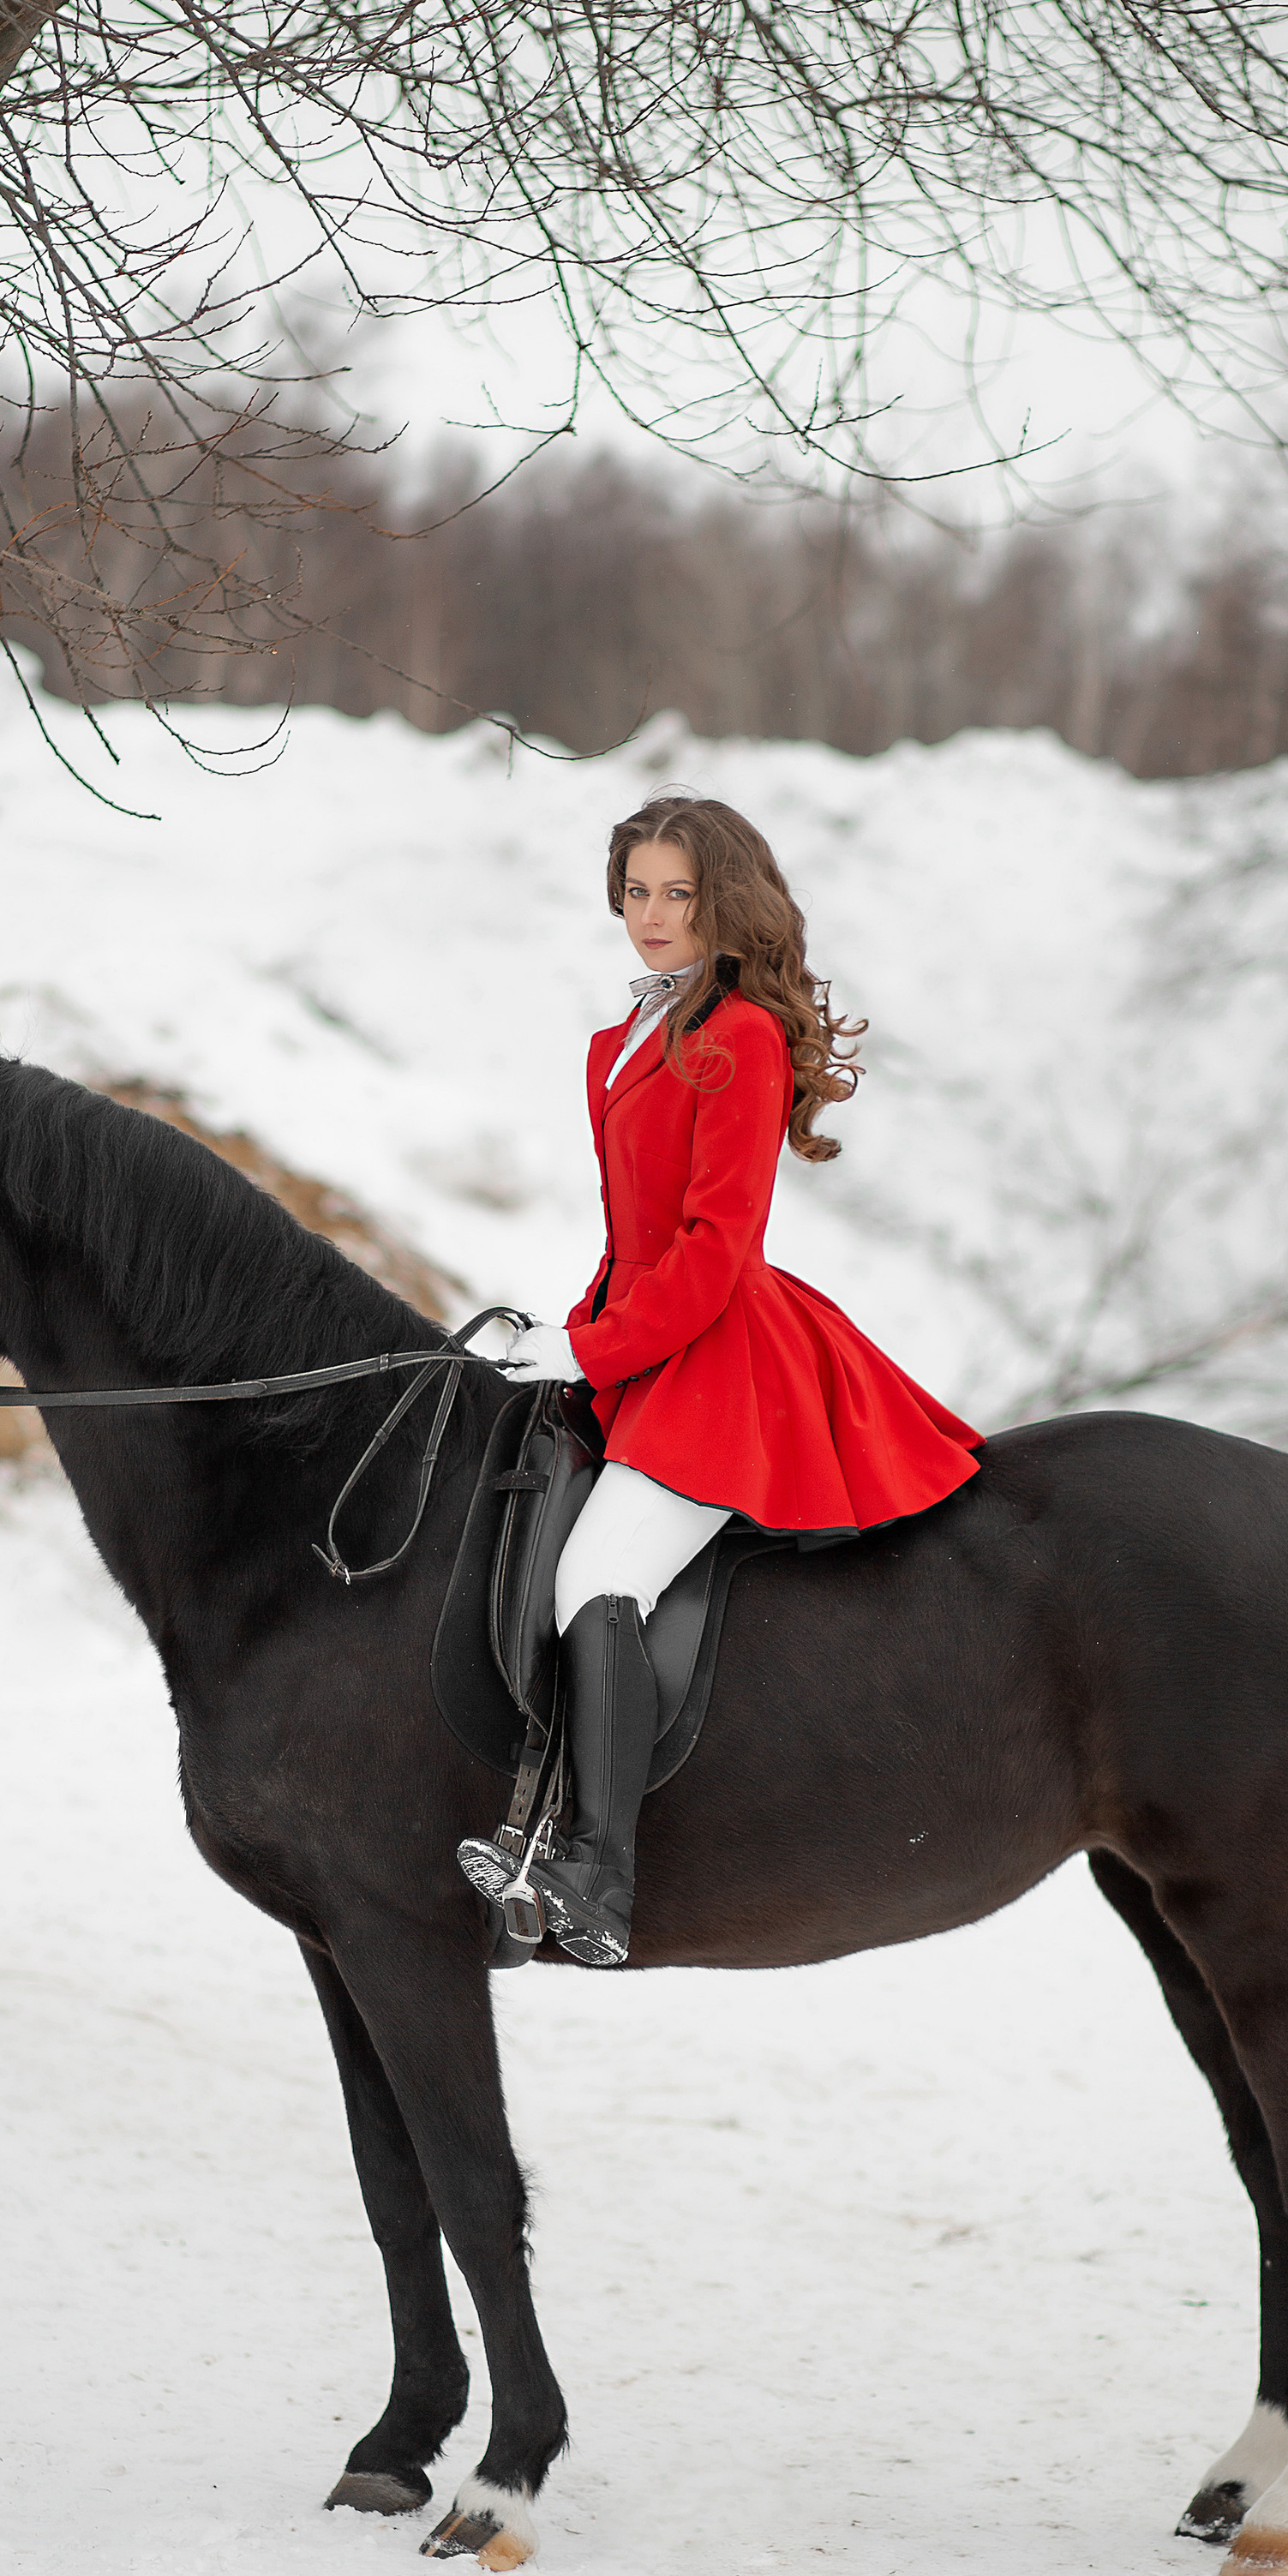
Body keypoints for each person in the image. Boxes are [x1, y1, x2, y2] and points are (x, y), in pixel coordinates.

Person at [459, 794, 982, 1967]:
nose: (650, 916)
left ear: (723, 903)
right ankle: (533, 1827)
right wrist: (568, 1333)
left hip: (721, 1361)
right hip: (638, 1342)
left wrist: (593, 1350)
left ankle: (598, 1875)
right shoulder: (619, 1044)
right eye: (636, 891)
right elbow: (630, 1241)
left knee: (595, 1579)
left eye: (676, 894)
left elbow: (713, 1249)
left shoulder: (738, 1035)